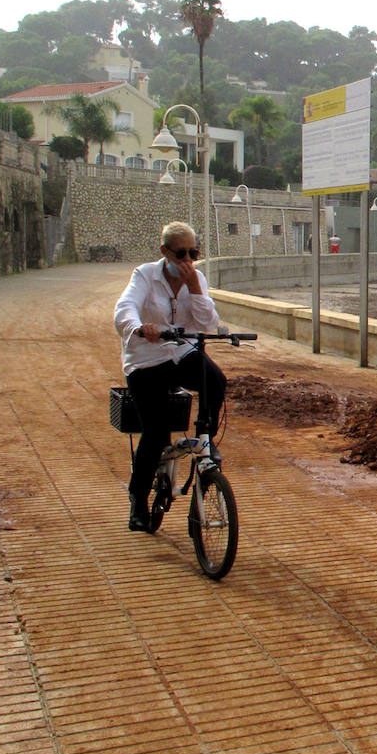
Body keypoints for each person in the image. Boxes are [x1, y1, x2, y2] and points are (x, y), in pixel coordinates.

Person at [113, 221, 226, 531]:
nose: (187, 261)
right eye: (180, 254)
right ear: (164, 251)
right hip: (147, 359)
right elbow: (125, 307)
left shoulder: (196, 279)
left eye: (194, 253)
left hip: (181, 352)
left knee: (215, 381)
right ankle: (138, 500)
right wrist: (139, 328)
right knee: (156, 432)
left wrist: (195, 289)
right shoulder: (145, 275)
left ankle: (207, 439)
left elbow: (208, 321)